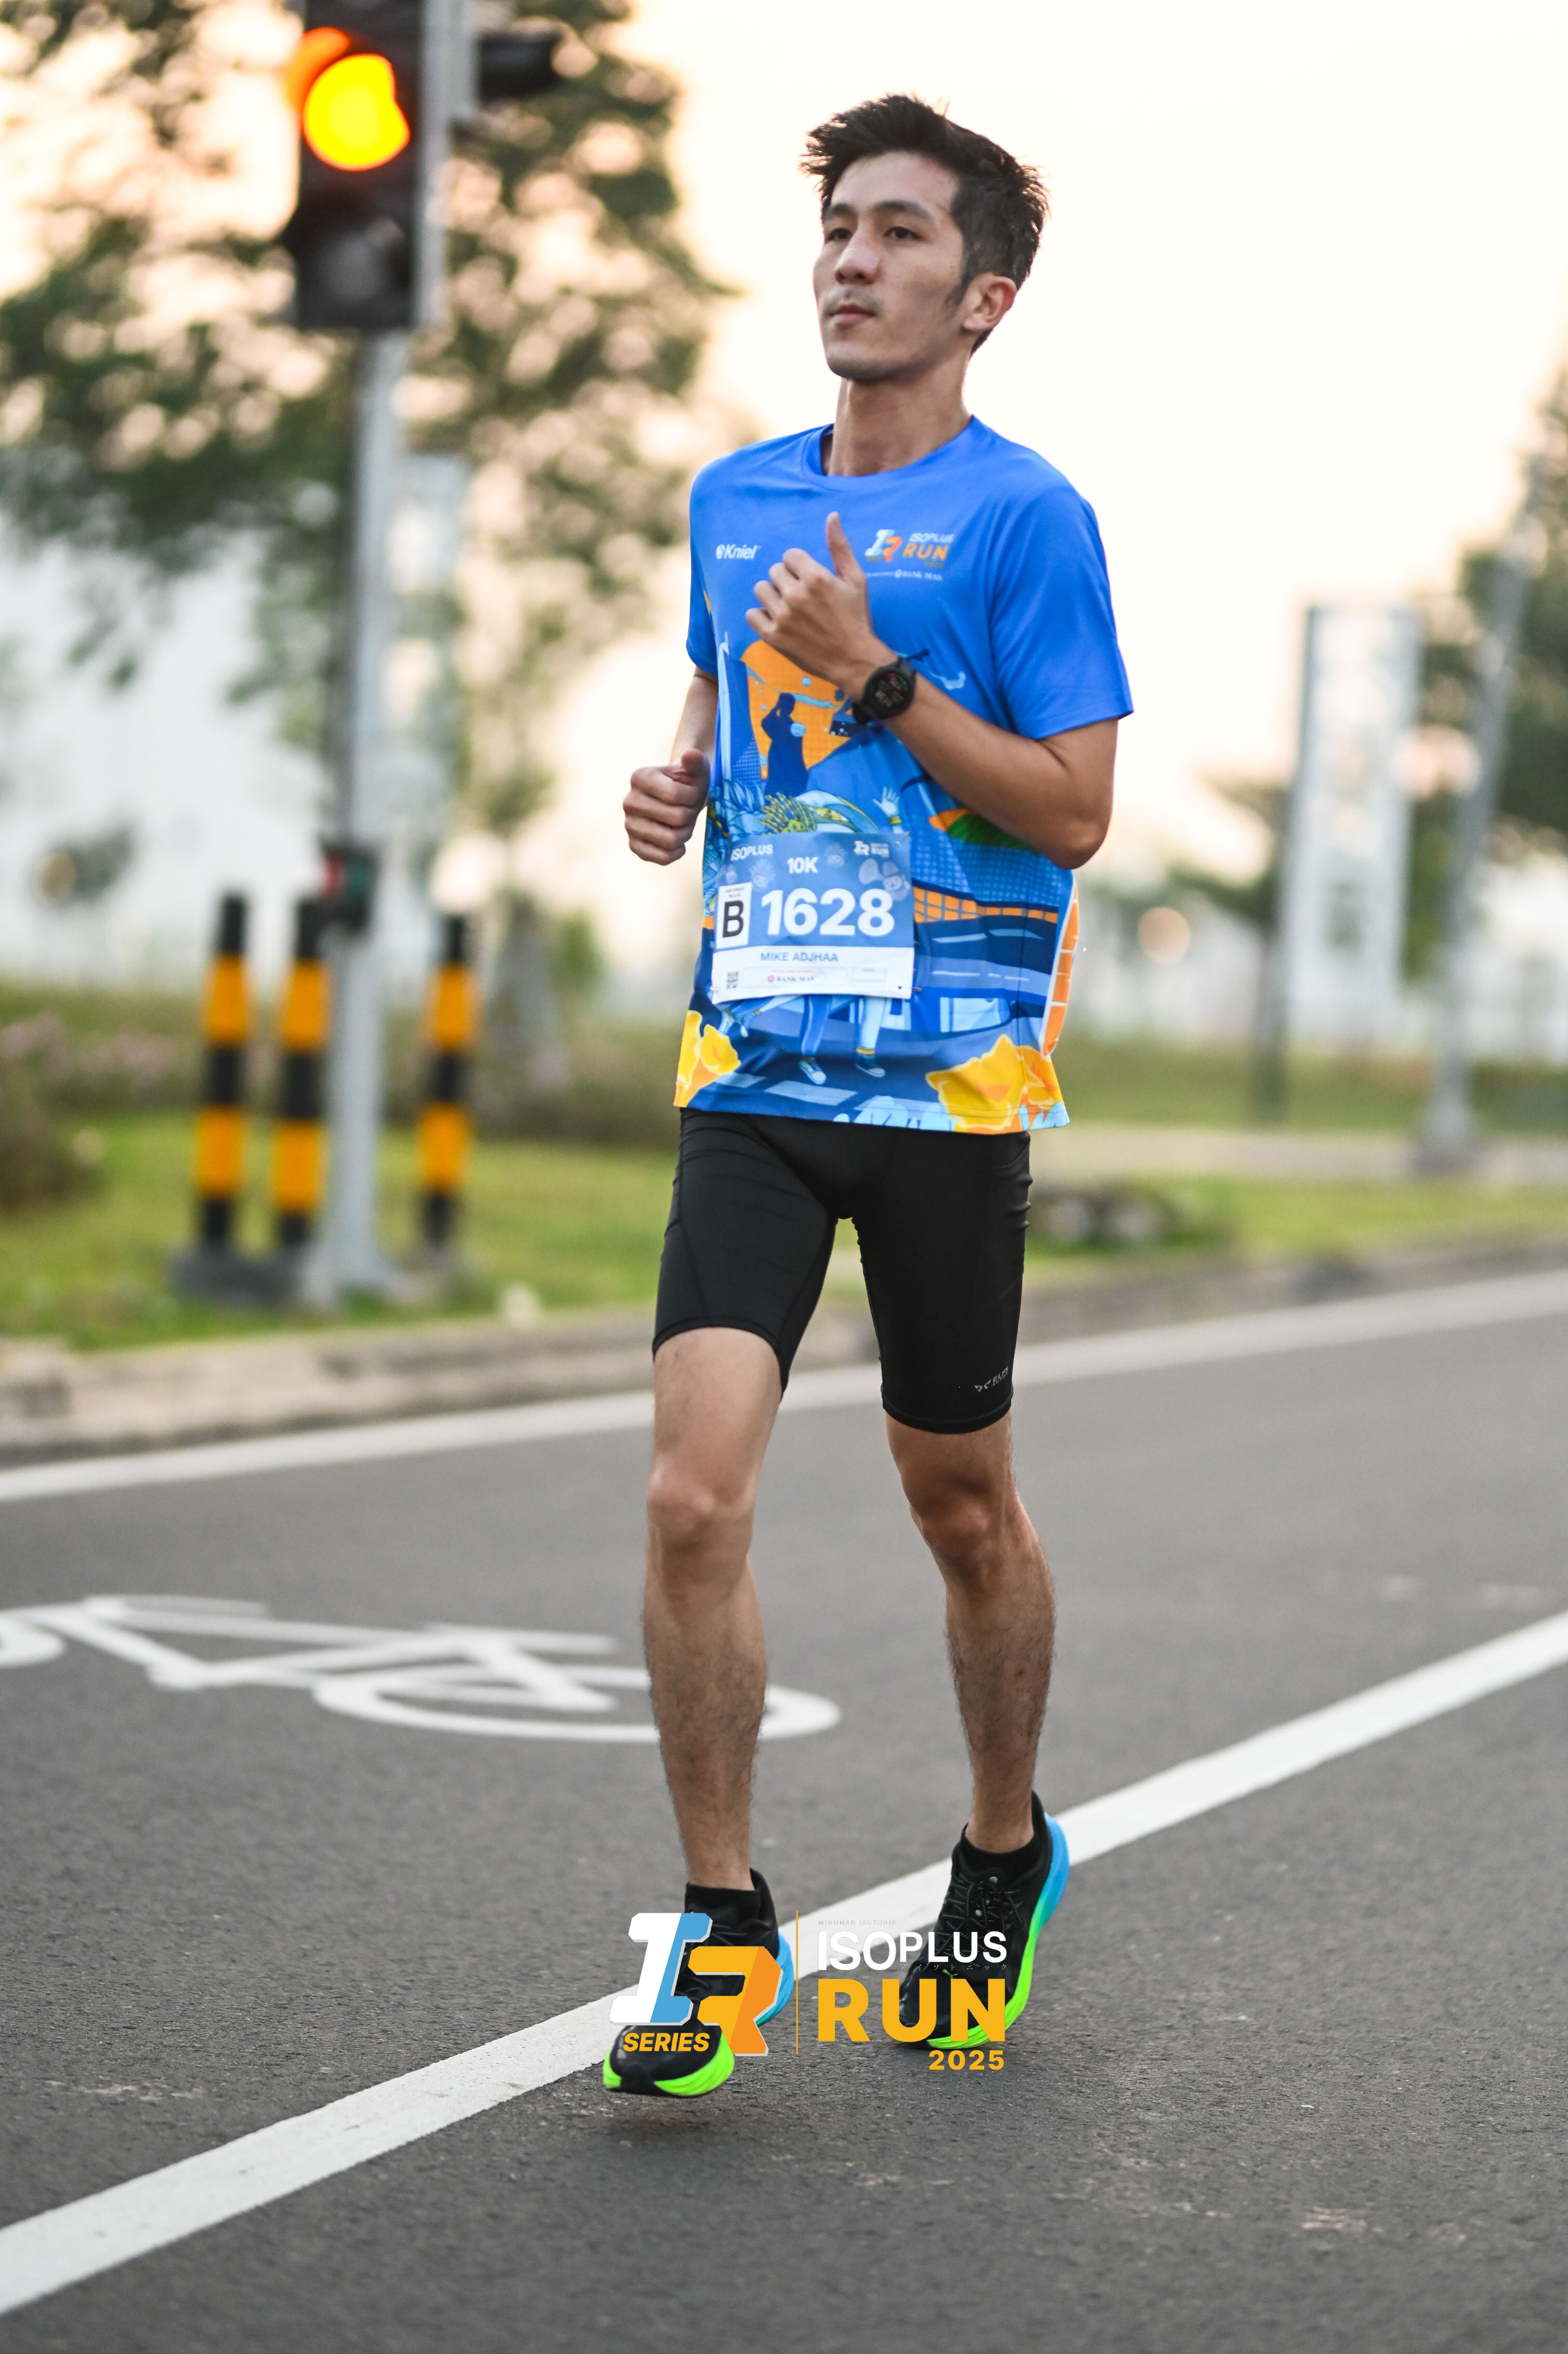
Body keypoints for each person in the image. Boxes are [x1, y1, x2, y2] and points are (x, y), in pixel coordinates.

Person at [605, 92, 1131, 2100]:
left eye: (902, 232)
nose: (852, 257)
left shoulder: (1026, 520)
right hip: (753, 1066)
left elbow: (1074, 812)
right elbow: (719, 686)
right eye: (840, 226)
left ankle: (1000, 1852)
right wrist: (682, 775)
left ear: (982, 295)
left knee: (960, 1504)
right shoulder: (735, 499)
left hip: (950, 1091)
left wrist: (881, 676)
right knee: (690, 1494)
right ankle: (721, 1918)